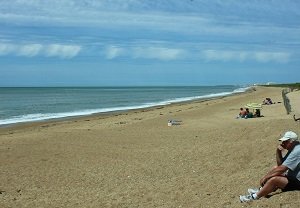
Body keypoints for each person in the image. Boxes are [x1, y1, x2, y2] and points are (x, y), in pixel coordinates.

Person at [239, 131, 300, 202]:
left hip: (298, 182)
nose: (282, 143)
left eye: (285, 141)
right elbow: (280, 165)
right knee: (275, 169)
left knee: (275, 180)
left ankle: (253, 197)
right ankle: (262, 189)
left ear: (291, 141)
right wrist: (278, 151)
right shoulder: (294, 147)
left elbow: (282, 169)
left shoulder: (297, 151)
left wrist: (265, 177)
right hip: (294, 177)